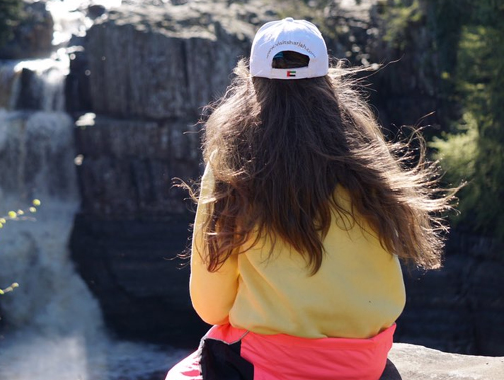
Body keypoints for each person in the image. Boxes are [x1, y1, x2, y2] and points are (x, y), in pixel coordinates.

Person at [166, 17, 457, 380]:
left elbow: (211, 307)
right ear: (327, 79)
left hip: (276, 364)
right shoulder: (366, 150)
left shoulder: (232, 165)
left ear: (252, 81)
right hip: (364, 358)